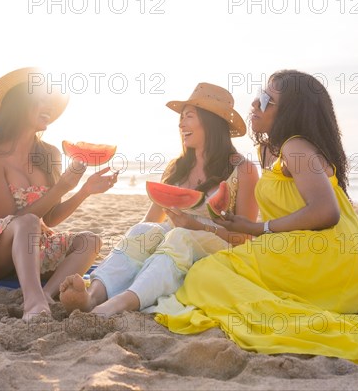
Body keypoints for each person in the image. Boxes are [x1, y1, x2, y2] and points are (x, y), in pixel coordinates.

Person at [156, 70, 358, 367]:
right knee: (209, 274)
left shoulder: (296, 147)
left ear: (290, 110)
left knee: (205, 275)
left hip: (333, 257)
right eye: (258, 97)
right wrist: (238, 224)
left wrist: (258, 228)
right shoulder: (267, 150)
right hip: (299, 251)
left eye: (266, 100)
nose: (255, 105)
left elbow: (326, 212)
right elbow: (285, 214)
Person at [0, 68, 118, 320]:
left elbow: (48, 219)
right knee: (27, 221)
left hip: (31, 243)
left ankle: (47, 296)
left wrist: (84, 191)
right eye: (39, 100)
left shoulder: (50, 154)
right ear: (17, 105)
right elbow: (12, 219)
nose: (48, 107)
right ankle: (32, 303)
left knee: (90, 240)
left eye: (49, 102)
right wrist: (61, 187)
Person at [59, 83, 259, 316]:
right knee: (143, 230)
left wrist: (198, 226)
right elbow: (151, 220)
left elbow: (244, 238)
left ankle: (121, 303)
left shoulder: (243, 169)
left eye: (189, 116)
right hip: (172, 250)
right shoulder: (177, 167)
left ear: (211, 121)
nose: (181, 123)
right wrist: (141, 237)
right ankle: (92, 296)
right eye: (181, 118)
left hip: (218, 250)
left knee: (180, 235)